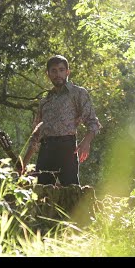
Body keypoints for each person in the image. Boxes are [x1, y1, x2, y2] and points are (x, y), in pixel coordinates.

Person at [18, 55, 102, 186]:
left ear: (67, 72)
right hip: (46, 150)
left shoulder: (78, 93)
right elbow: (35, 136)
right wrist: (23, 164)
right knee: (41, 193)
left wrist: (86, 142)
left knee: (71, 191)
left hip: (67, 148)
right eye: (54, 71)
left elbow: (92, 122)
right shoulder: (45, 101)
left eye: (61, 70)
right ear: (48, 74)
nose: (58, 74)